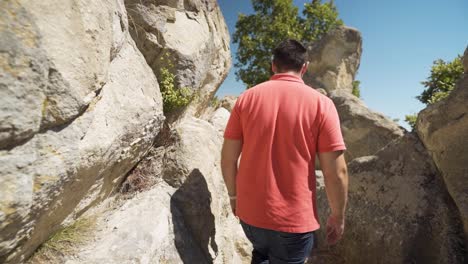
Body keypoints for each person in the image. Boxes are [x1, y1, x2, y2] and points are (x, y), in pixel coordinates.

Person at [221, 39, 349, 264]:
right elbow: (336, 172)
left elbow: (228, 159)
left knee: (260, 255)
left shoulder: (246, 99)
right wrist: (338, 216)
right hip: (293, 221)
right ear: (304, 67)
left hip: (250, 216)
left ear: (273, 65)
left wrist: (233, 196)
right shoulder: (322, 104)